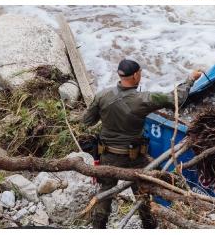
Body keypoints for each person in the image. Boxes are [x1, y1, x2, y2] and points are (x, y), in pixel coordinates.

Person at [80, 60, 201, 228]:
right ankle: (149, 225)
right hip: (134, 158)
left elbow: (86, 121)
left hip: (107, 155)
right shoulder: (144, 99)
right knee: (142, 191)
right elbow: (176, 98)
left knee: (105, 192)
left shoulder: (102, 95)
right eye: (141, 73)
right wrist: (190, 79)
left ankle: (98, 227)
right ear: (136, 75)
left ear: (120, 75)